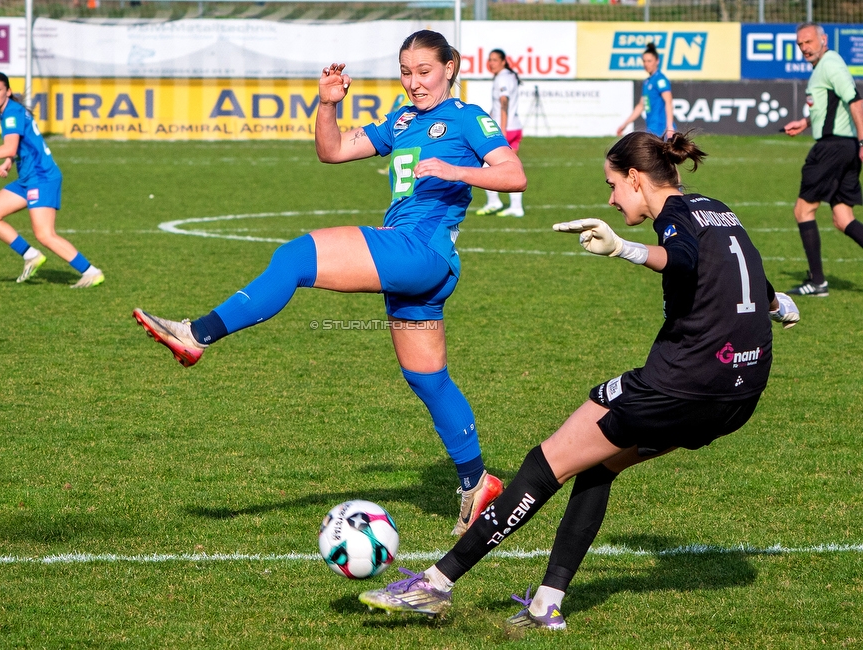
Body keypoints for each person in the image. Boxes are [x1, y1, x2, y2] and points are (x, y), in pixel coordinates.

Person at [358, 131, 800, 630]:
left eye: (613, 185)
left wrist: (623, 249)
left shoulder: (674, 216)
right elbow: (746, 274)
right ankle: (547, 604)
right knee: (600, 464)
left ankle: (434, 586)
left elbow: (682, 260)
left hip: (682, 383)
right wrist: (778, 304)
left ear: (636, 179)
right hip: (740, 393)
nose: (611, 198)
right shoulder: (718, 210)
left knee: (544, 463)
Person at [132, 30, 527, 535]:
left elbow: (514, 175)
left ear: (451, 67)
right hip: (418, 264)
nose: (414, 83)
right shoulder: (402, 119)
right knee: (427, 379)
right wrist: (326, 105)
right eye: (405, 72)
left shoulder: (469, 117)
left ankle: (198, 333)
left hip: (420, 250)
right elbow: (333, 150)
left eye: (424, 72)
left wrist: (454, 170)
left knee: (295, 256)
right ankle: (478, 483)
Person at [0, 73, 104, 288]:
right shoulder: (6, 111)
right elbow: (19, 145)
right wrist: (8, 162)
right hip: (28, 178)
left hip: (42, 177)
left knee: (45, 234)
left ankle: (91, 272)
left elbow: (10, 146)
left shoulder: (11, 113)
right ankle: (31, 255)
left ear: (8, 91)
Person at [781, 22, 863, 298]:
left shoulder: (830, 64)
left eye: (808, 42)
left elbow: (855, 99)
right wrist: (804, 123)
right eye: (800, 44)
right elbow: (832, 105)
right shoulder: (823, 68)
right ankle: (817, 281)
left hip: (833, 148)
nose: (804, 48)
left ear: (823, 40)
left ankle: (817, 283)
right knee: (843, 218)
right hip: (844, 147)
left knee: (803, 210)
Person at [476, 49, 525, 218]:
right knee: (513, 167)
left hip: (506, 128)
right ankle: (516, 207)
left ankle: (493, 201)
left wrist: (501, 129)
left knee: (485, 166)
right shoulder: (510, 76)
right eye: (490, 60)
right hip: (515, 126)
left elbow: (504, 102)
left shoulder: (502, 78)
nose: (491, 63)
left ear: (503, 61)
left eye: (495, 60)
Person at [616, 42, 675, 140]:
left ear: (657, 61)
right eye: (644, 61)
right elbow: (641, 106)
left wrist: (670, 127)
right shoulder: (647, 82)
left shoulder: (660, 79)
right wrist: (624, 124)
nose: (646, 64)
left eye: (649, 61)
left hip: (662, 128)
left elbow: (668, 101)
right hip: (652, 128)